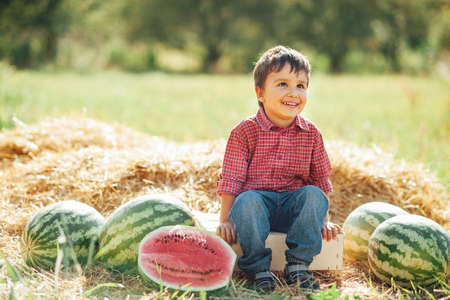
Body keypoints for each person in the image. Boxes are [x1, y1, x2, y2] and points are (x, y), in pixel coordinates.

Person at [216, 45, 343, 292]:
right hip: (255, 210)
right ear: (259, 93)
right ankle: (258, 269)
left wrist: (323, 221)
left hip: (293, 210)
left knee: (313, 194)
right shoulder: (244, 132)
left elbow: (320, 179)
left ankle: (298, 265)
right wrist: (225, 220)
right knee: (248, 200)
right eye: (282, 84)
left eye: (301, 85)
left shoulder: (312, 133)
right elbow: (231, 178)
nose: (293, 92)